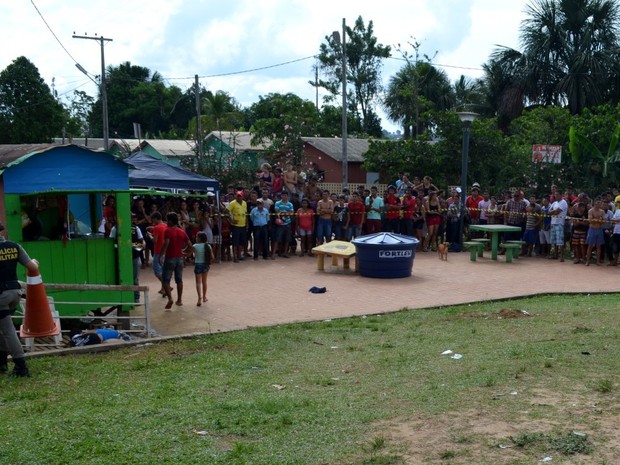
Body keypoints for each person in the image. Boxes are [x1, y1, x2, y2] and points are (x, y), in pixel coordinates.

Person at [0, 222, 38, 377]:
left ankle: (21, 367)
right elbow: (32, 267)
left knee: (7, 330)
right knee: (3, 327)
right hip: (15, 292)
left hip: (0, 295)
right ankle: (1, 362)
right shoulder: (14, 246)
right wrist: (34, 261)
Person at [159, 212, 193, 310]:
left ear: (170, 221)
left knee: (166, 280)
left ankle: (170, 299)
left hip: (170, 258)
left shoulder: (168, 231)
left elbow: (166, 243)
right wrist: (187, 253)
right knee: (179, 280)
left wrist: (161, 255)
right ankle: (179, 300)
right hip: (179, 258)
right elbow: (190, 244)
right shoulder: (181, 231)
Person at [146, 212, 167, 296]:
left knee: (157, 271)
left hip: (158, 251)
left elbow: (154, 240)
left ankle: (166, 286)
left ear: (155, 218)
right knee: (163, 270)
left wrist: (149, 235)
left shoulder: (157, 228)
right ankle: (163, 288)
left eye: (152, 219)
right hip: (165, 251)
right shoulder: (165, 225)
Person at [193, 232, 214, 306]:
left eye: (197, 237)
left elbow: (189, 254)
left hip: (198, 264)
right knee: (204, 282)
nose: (196, 238)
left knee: (198, 283)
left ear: (199, 238)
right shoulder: (208, 246)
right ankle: (204, 297)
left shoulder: (195, 246)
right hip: (205, 264)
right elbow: (212, 256)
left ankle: (199, 298)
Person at [226, 191, 248, 263]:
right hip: (235, 226)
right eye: (238, 196)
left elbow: (246, 213)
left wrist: (247, 223)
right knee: (235, 242)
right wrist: (231, 220)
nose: (239, 197)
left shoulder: (245, 203)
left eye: (240, 196)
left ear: (242, 196)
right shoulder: (232, 203)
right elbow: (226, 212)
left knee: (242, 242)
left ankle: (239, 255)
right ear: (236, 196)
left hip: (243, 226)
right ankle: (235, 257)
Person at [272, 191, 294, 258]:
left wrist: (283, 212)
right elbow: (277, 211)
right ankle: (273, 254)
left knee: (287, 239)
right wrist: (286, 213)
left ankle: (285, 253)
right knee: (277, 239)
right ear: (281, 196)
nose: (284, 196)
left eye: (285, 195)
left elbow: (291, 213)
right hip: (280, 223)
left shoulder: (290, 204)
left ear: (287, 196)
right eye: (283, 195)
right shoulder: (277, 203)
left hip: (287, 223)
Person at [585, 198, 606, 266]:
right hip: (592, 229)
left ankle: (597, 261)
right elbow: (590, 220)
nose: (598, 204)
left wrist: (596, 220)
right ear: (594, 203)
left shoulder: (602, 211)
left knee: (598, 246)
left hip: (599, 229)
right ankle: (588, 261)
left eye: (599, 203)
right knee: (590, 246)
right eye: (597, 202)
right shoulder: (590, 210)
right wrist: (598, 220)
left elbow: (603, 221)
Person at [548, 192, 568, 262]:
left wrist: (553, 211)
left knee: (560, 241)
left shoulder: (563, 202)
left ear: (561, 195)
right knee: (554, 240)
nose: (556, 196)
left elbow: (557, 212)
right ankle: (555, 255)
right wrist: (554, 211)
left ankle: (562, 256)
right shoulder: (554, 203)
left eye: (557, 195)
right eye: (555, 195)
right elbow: (549, 212)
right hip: (553, 222)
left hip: (560, 223)